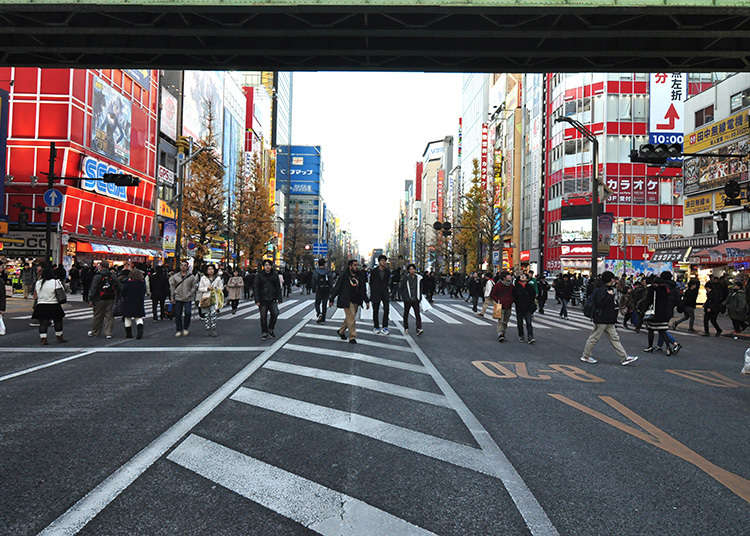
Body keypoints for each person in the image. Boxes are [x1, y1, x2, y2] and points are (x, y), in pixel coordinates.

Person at [580, 271, 639, 366]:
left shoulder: (607, 288)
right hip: (602, 318)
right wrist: (609, 295)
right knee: (594, 338)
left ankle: (624, 357)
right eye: (613, 279)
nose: (615, 280)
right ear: (610, 279)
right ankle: (585, 356)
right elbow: (600, 303)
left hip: (608, 319)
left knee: (615, 338)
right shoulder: (601, 290)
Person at [329, 259, 370, 344]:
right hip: (346, 299)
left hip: (356, 299)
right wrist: (332, 298)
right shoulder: (344, 275)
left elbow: (363, 289)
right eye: (354, 265)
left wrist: (366, 300)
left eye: (357, 265)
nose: (356, 267)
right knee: (351, 317)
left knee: (350, 318)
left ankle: (341, 331)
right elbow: (337, 287)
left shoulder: (360, 275)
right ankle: (352, 337)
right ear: (350, 266)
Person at [643, 272, 681, 355]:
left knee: (656, 329)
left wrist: (643, 309)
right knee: (662, 329)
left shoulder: (655, 289)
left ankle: (674, 343)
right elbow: (677, 299)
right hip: (667, 311)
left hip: (656, 312)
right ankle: (661, 346)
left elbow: (648, 300)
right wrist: (679, 307)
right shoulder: (672, 287)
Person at [33, 263, 67, 345]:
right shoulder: (56, 282)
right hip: (54, 304)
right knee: (58, 321)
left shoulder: (38, 283)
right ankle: (59, 337)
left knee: (43, 323)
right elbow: (62, 292)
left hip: (41, 305)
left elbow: (35, 295)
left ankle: (43, 338)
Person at [88, 261, 121, 340]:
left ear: (101, 266)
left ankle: (95, 331)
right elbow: (119, 286)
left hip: (99, 298)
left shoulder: (97, 276)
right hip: (110, 298)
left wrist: (90, 299)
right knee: (109, 316)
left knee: (98, 315)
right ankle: (108, 333)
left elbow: (93, 288)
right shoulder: (112, 275)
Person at [254, 259, 283, 340]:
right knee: (263, 316)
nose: (267, 266)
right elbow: (256, 288)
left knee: (275, 313)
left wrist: (279, 298)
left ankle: (270, 328)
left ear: (271, 266)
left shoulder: (274, 275)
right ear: (264, 266)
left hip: (272, 298)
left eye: (269, 265)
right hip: (262, 299)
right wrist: (257, 300)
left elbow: (278, 287)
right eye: (266, 265)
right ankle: (264, 332)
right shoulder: (259, 275)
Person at [169, 260, 197, 337]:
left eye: (185, 265)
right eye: (182, 265)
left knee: (188, 313)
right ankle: (178, 329)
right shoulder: (175, 276)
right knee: (178, 314)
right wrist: (172, 297)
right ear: (180, 266)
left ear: (187, 267)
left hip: (188, 298)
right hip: (178, 297)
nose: (183, 267)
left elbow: (194, 287)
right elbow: (172, 287)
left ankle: (185, 328)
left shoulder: (191, 276)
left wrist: (190, 293)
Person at [197, 264, 223, 337]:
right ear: (206, 270)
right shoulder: (203, 278)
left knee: (213, 314)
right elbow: (200, 288)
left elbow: (221, 287)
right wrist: (206, 289)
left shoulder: (218, 278)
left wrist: (216, 288)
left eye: (212, 269)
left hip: (214, 298)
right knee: (207, 315)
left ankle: (214, 329)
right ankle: (207, 328)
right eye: (209, 269)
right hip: (206, 298)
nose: (210, 270)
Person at [121, 268, 146, 339]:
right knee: (138, 317)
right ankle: (139, 332)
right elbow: (143, 292)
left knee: (127, 318)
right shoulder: (142, 283)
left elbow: (123, 293)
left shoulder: (127, 283)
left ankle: (129, 334)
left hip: (128, 302)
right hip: (138, 302)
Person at [490, 271, 514, 342]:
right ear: (504, 277)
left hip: (508, 305)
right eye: (508, 276)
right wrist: (497, 300)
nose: (510, 277)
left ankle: (503, 332)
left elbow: (514, 294)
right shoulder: (498, 285)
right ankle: (500, 334)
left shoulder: (511, 286)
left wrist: (511, 300)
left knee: (505, 321)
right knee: (500, 320)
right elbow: (493, 294)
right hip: (499, 305)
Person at [400, 263, 424, 336]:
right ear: (408, 270)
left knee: (417, 314)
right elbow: (401, 288)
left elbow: (421, 288)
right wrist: (404, 297)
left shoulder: (419, 278)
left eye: (413, 269)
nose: (412, 270)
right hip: (408, 299)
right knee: (406, 313)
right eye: (410, 269)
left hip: (415, 299)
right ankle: (406, 327)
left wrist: (420, 297)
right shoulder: (405, 278)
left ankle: (419, 328)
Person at [369, 254, 391, 334]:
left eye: (385, 261)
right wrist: (371, 293)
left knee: (387, 309)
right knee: (375, 310)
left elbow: (389, 282)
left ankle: (385, 327)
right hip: (376, 292)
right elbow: (371, 282)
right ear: (379, 262)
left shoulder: (387, 271)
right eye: (382, 260)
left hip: (385, 292)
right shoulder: (374, 271)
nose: (384, 262)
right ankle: (376, 326)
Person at [513, 273, 536, 344]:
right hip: (519, 307)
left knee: (529, 322)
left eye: (524, 276)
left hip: (528, 307)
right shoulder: (516, 287)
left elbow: (533, 296)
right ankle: (521, 335)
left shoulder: (530, 286)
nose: (522, 277)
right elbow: (514, 297)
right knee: (520, 322)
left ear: (527, 278)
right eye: (521, 276)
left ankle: (530, 336)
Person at [312, 258, 333, 324]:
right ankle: (323, 319)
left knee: (317, 303)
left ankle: (319, 313)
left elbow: (313, 281)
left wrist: (313, 289)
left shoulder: (316, 271)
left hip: (319, 289)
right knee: (324, 304)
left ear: (318, 263)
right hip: (326, 289)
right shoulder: (328, 271)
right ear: (324, 263)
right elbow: (331, 281)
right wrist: (331, 290)